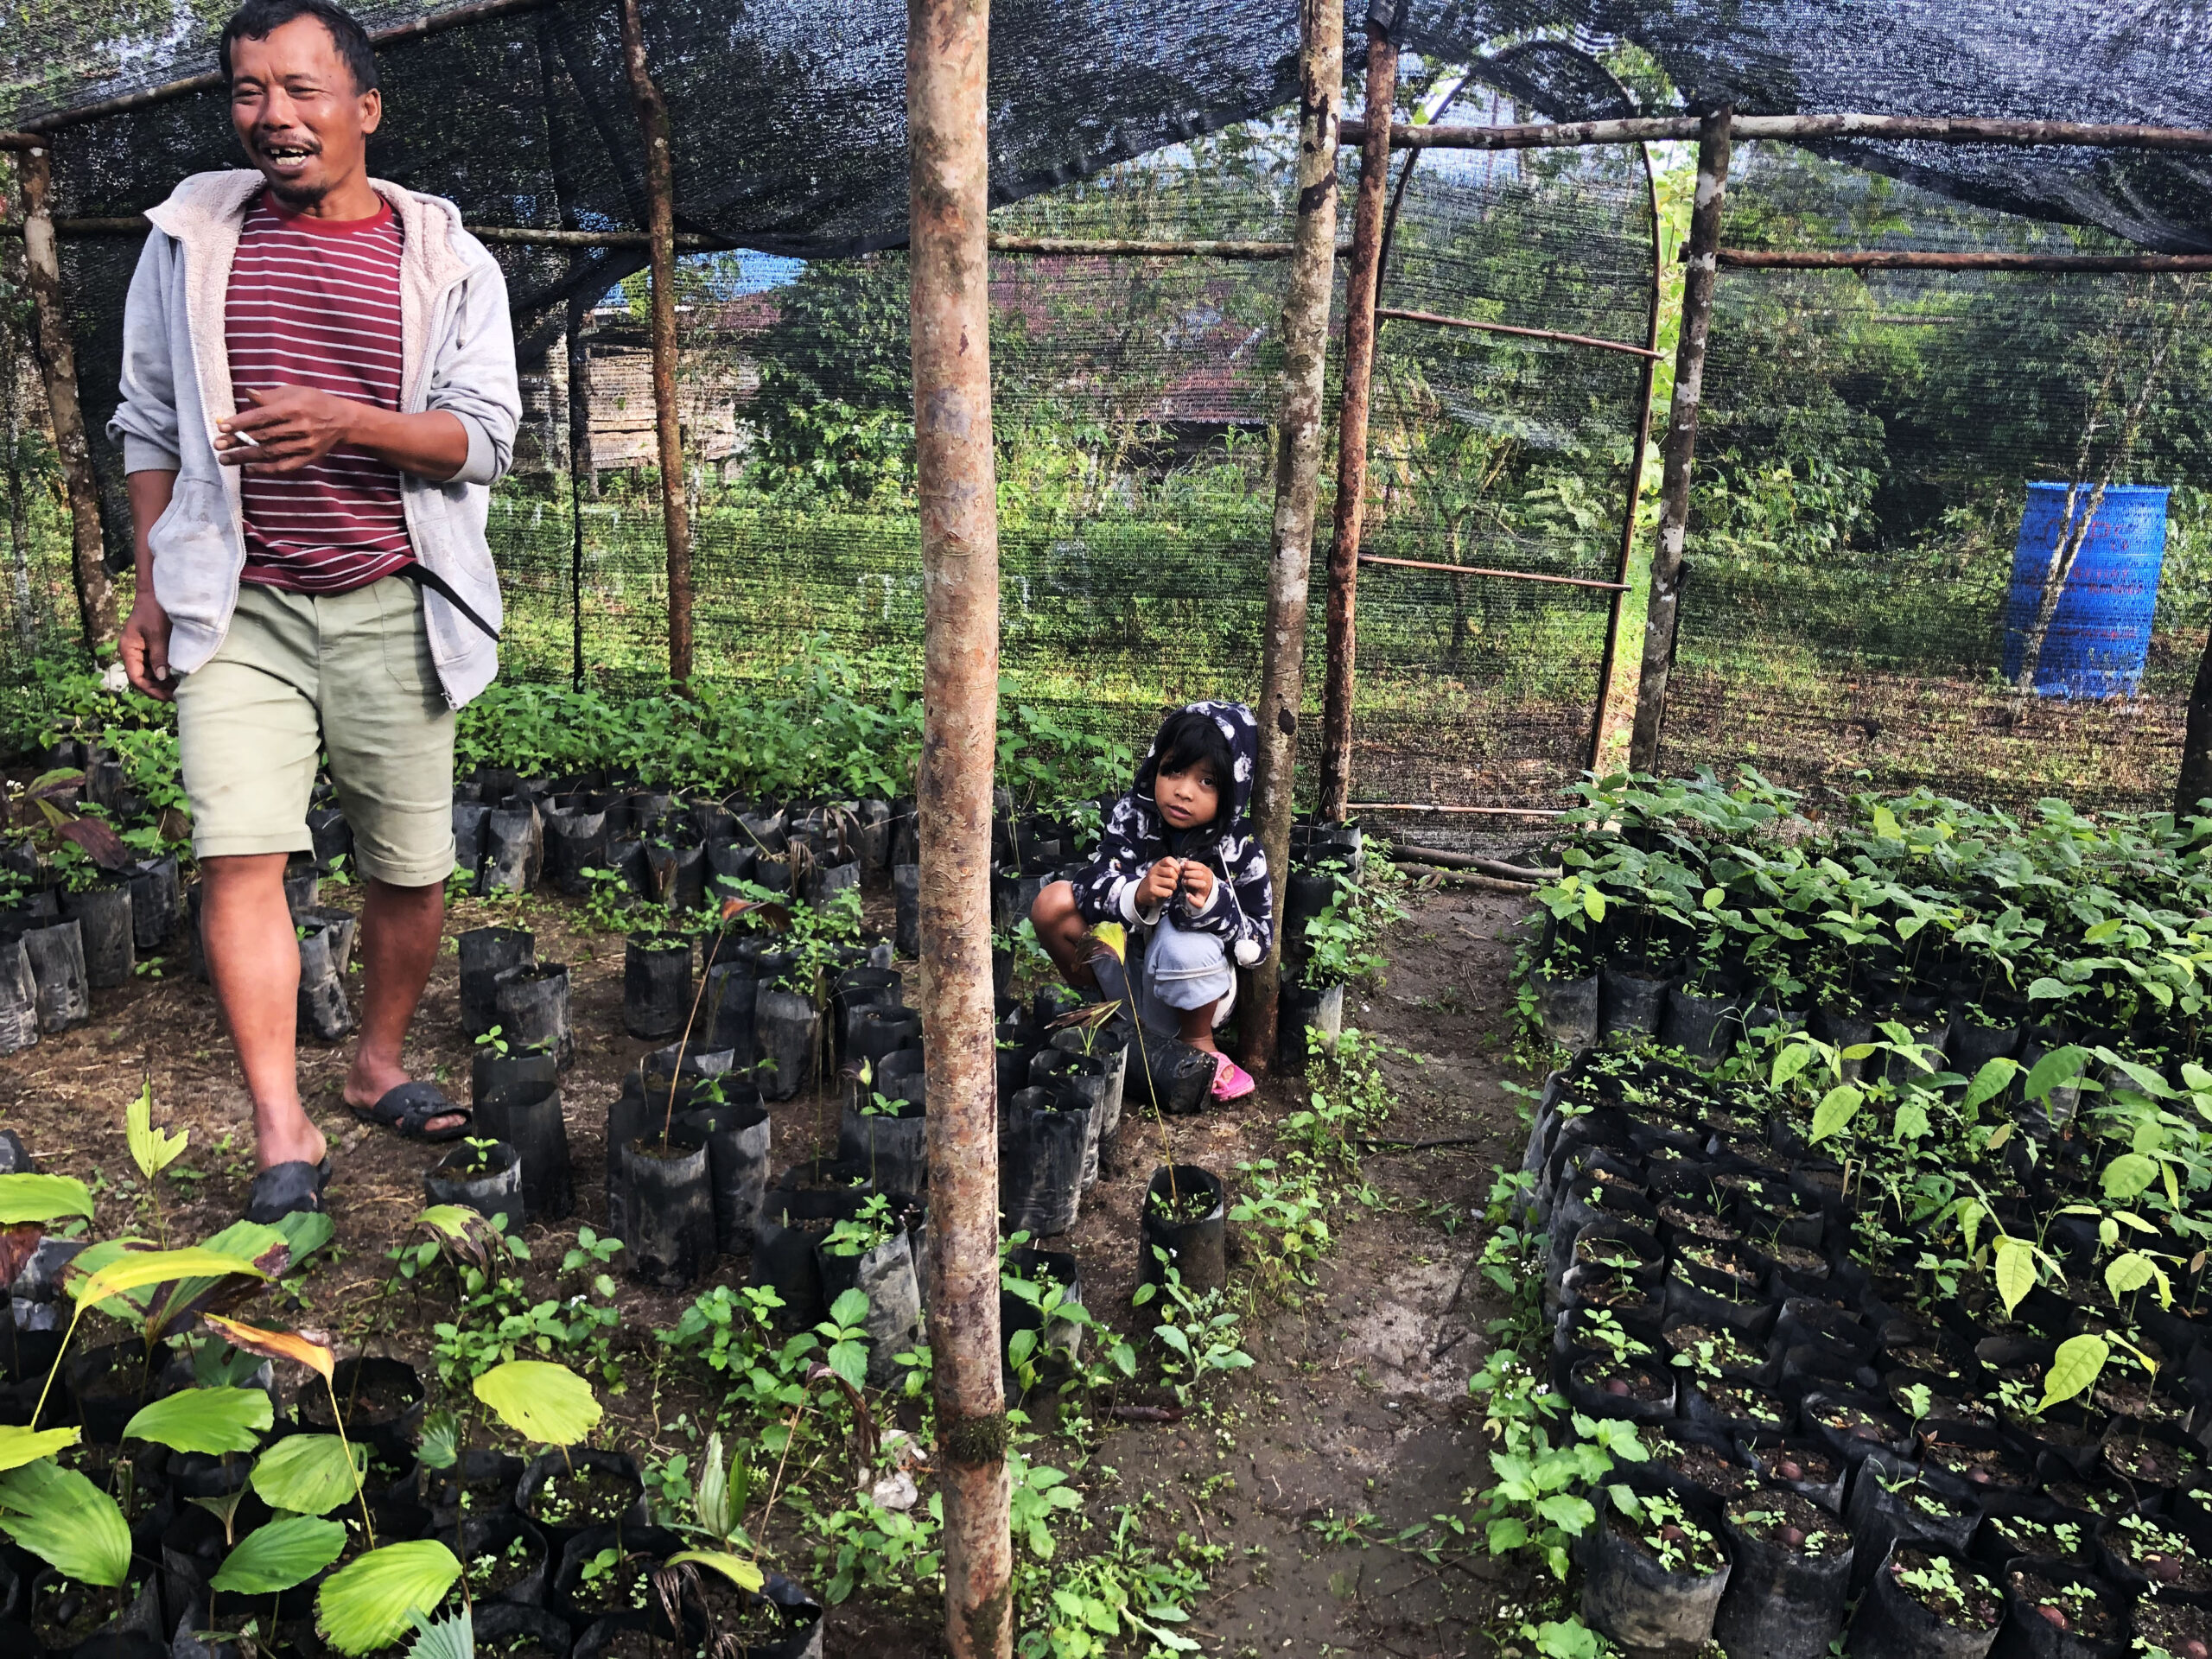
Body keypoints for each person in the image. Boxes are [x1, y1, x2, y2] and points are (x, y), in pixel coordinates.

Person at [108, 0, 520, 1221]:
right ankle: (281, 1126)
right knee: (241, 855)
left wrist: (346, 422)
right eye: (246, 93)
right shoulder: (189, 240)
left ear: (364, 108)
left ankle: (376, 1062)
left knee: (412, 869)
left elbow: (483, 440)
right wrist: (147, 581)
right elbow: (144, 419)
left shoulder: (444, 257)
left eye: (299, 90)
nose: (272, 117)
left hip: (396, 598)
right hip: (238, 604)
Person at [1030, 701, 1272, 1103]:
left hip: (1195, 995)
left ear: (1232, 789)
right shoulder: (1133, 817)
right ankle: (1105, 1010)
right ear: (1153, 767)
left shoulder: (1240, 848)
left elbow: (1259, 942)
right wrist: (1136, 893)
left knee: (1183, 939)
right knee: (1052, 902)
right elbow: (1092, 881)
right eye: (1173, 770)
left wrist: (1215, 902)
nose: (1183, 790)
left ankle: (1200, 1044)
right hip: (1129, 973)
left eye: (1207, 781)